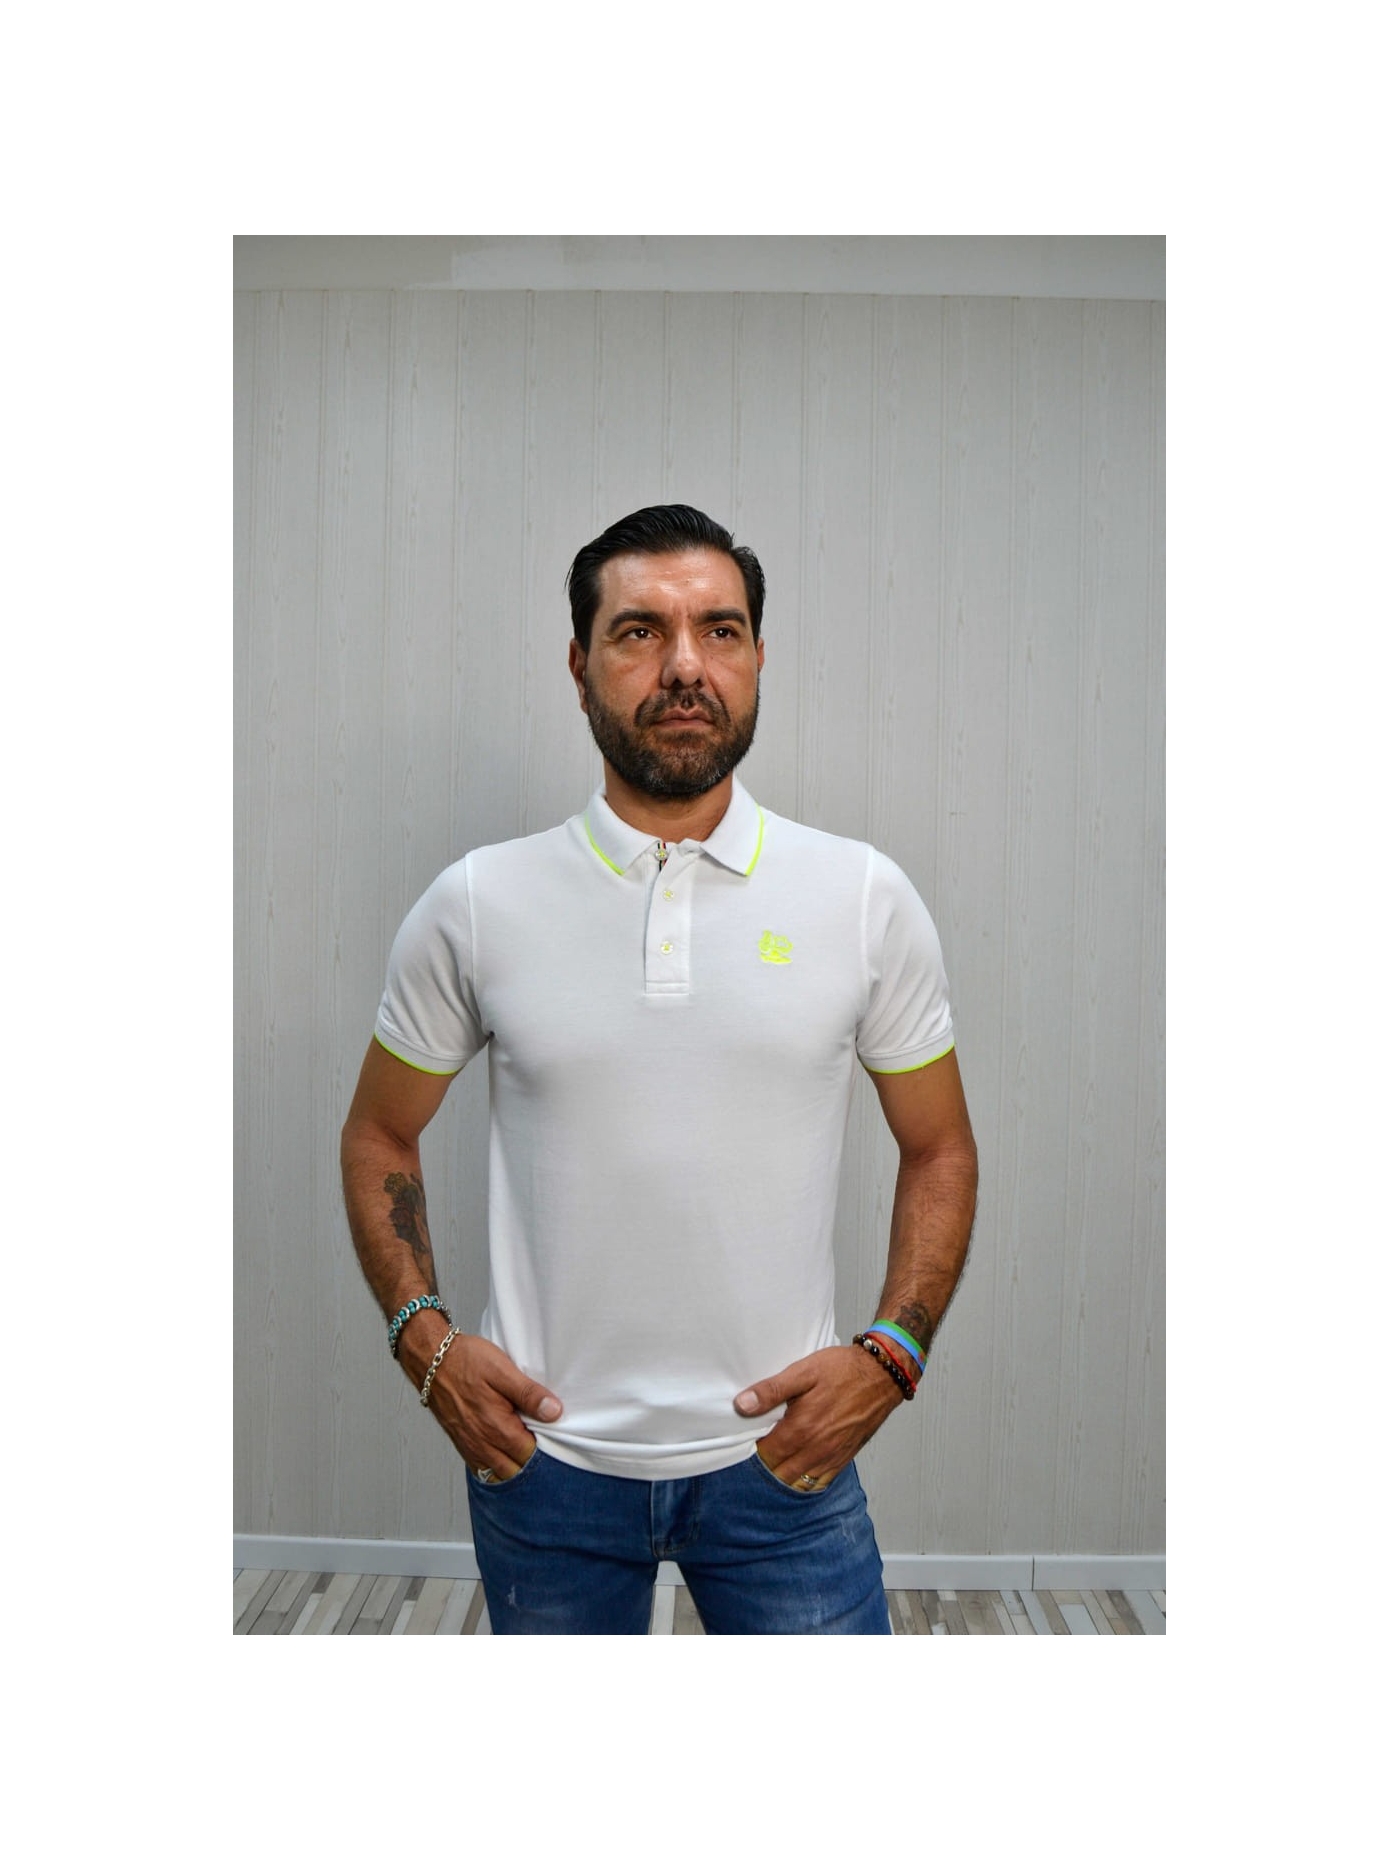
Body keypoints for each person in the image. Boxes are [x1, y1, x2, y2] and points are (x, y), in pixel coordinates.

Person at [341, 503, 978, 1634]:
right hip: (545, 1467)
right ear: (578, 666)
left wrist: (890, 1358)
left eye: (718, 630)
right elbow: (377, 1133)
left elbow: (940, 1147)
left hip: (785, 1462)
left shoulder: (861, 898)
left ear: (758, 657)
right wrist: (426, 1347)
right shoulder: (479, 901)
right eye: (639, 632)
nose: (685, 666)